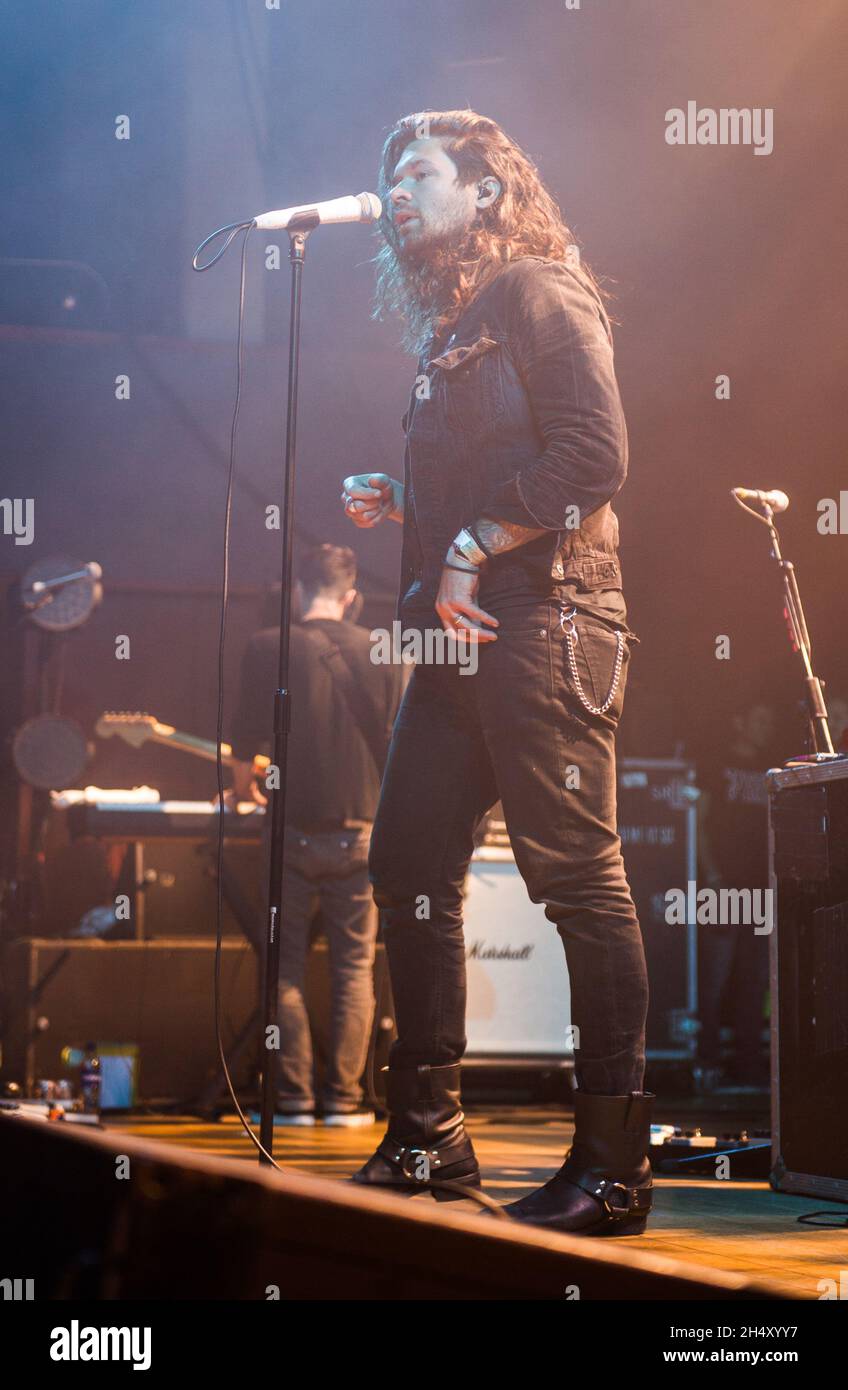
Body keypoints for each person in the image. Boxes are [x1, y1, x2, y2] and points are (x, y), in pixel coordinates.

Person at [340, 110, 653, 1235]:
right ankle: (428, 1136)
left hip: (549, 617)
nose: (391, 195)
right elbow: (501, 464)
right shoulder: (450, 329)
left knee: (573, 877)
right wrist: (409, 499)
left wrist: (468, 542)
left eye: (415, 173)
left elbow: (593, 455)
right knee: (405, 862)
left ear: (482, 190)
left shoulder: (536, 291)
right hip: (459, 640)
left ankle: (610, 1167)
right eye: (385, 179)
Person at [228, 544, 403, 1125]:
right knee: (355, 970)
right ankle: (345, 1102)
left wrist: (244, 790)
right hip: (362, 835)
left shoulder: (267, 647)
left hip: (289, 836)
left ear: (297, 591)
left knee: (284, 969)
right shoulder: (386, 649)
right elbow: (402, 748)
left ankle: (294, 1100)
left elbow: (245, 744)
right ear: (351, 597)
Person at [696, 701, 779, 1089]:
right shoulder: (716, 763)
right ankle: (708, 1061)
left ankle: (749, 1064)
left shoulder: (771, 768)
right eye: (759, 718)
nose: (765, 727)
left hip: (761, 888)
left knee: (755, 979)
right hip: (724, 885)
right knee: (715, 977)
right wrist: (711, 873)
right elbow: (698, 823)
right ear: (739, 719)